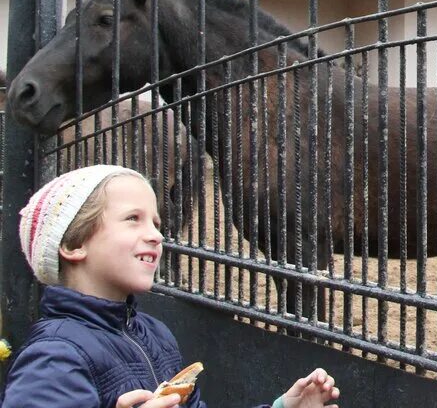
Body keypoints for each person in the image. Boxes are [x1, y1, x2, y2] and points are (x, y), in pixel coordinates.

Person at [1, 165, 341, 408]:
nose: (156, 234)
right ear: (74, 245)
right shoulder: (55, 357)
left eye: (156, 222)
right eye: (133, 218)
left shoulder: (155, 335)